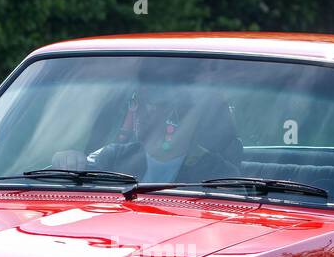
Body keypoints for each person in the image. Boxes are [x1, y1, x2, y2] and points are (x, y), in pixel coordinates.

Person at [50, 78, 242, 182]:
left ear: (185, 116)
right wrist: (68, 160)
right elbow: (82, 177)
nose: (139, 111)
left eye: (155, 105)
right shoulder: (113, 156)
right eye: (136, 102)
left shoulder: (220, 174)